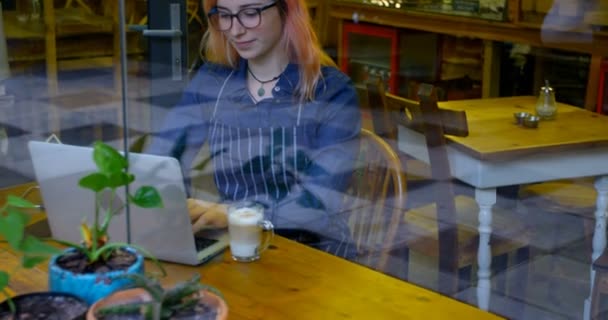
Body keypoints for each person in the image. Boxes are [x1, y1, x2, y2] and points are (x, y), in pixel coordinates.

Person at [147, 0, 361, 258]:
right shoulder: (213, 80)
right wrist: (177, 207)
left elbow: (318, 202)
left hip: (315, 255)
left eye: (250, 13)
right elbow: (165, 157)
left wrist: (233, 212)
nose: (235, 30)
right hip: (238, 242)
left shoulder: (332, 92)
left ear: (286, 10)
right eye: (224, 16)